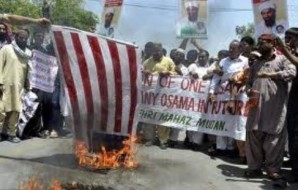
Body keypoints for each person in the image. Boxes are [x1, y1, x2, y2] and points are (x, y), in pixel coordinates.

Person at [244, 34, 296, 180]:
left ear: (272, 44)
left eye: (262, 42)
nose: (259, 45)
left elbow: (291, 73)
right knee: (253, 136)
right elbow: (248, 82)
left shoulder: (282, 59)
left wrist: (271, 74)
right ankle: (254, 168)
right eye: (258, 42)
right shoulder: (255, 63)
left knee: (274, 139)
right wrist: (248, 90)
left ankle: (273, 169)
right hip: (256, 107)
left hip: (275, 107)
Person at [208, 40, 248, 157]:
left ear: (240, 50)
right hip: (222, 94)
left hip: (238, 95)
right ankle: (220, 148)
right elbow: (216, 78)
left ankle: (231, 148)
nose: (230, 50)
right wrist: (211, 92)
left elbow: (246, 76)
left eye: (233, 48)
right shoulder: (223, 61)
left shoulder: (245, 61)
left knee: (233, 121)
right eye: (230, 48)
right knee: (220, 120)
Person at [274, 27, 298, 183]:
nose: (287, 41)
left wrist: (284, 50)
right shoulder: (292, 54)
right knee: (292, 132)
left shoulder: (292, 55)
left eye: (290, 38)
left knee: (296, 135)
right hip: (293, 98)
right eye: (286, 37)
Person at [0, 28, 32, 143]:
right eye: (20, 37)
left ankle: (11, 133)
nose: (23, 40)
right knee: (2, 109)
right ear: (15, 37)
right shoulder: (6, 49)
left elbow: (29, 70)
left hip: (19, 85)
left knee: (15, 110)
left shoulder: (28, 53)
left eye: (25, 38)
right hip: (5, 83)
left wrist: (28, 84)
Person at [143, 43, 176, 149]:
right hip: (151, 96)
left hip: (164, 94)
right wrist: (145, 72)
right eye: (154, 51)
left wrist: (168, 73)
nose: (156, 53)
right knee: (149, 116)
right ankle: (150, 138)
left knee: (163, 117)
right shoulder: (147, 62)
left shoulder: (169, 61)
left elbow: (178, 75)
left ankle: (163, 140)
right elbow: (142, 74)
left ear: (161, 51)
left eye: (158, 51)